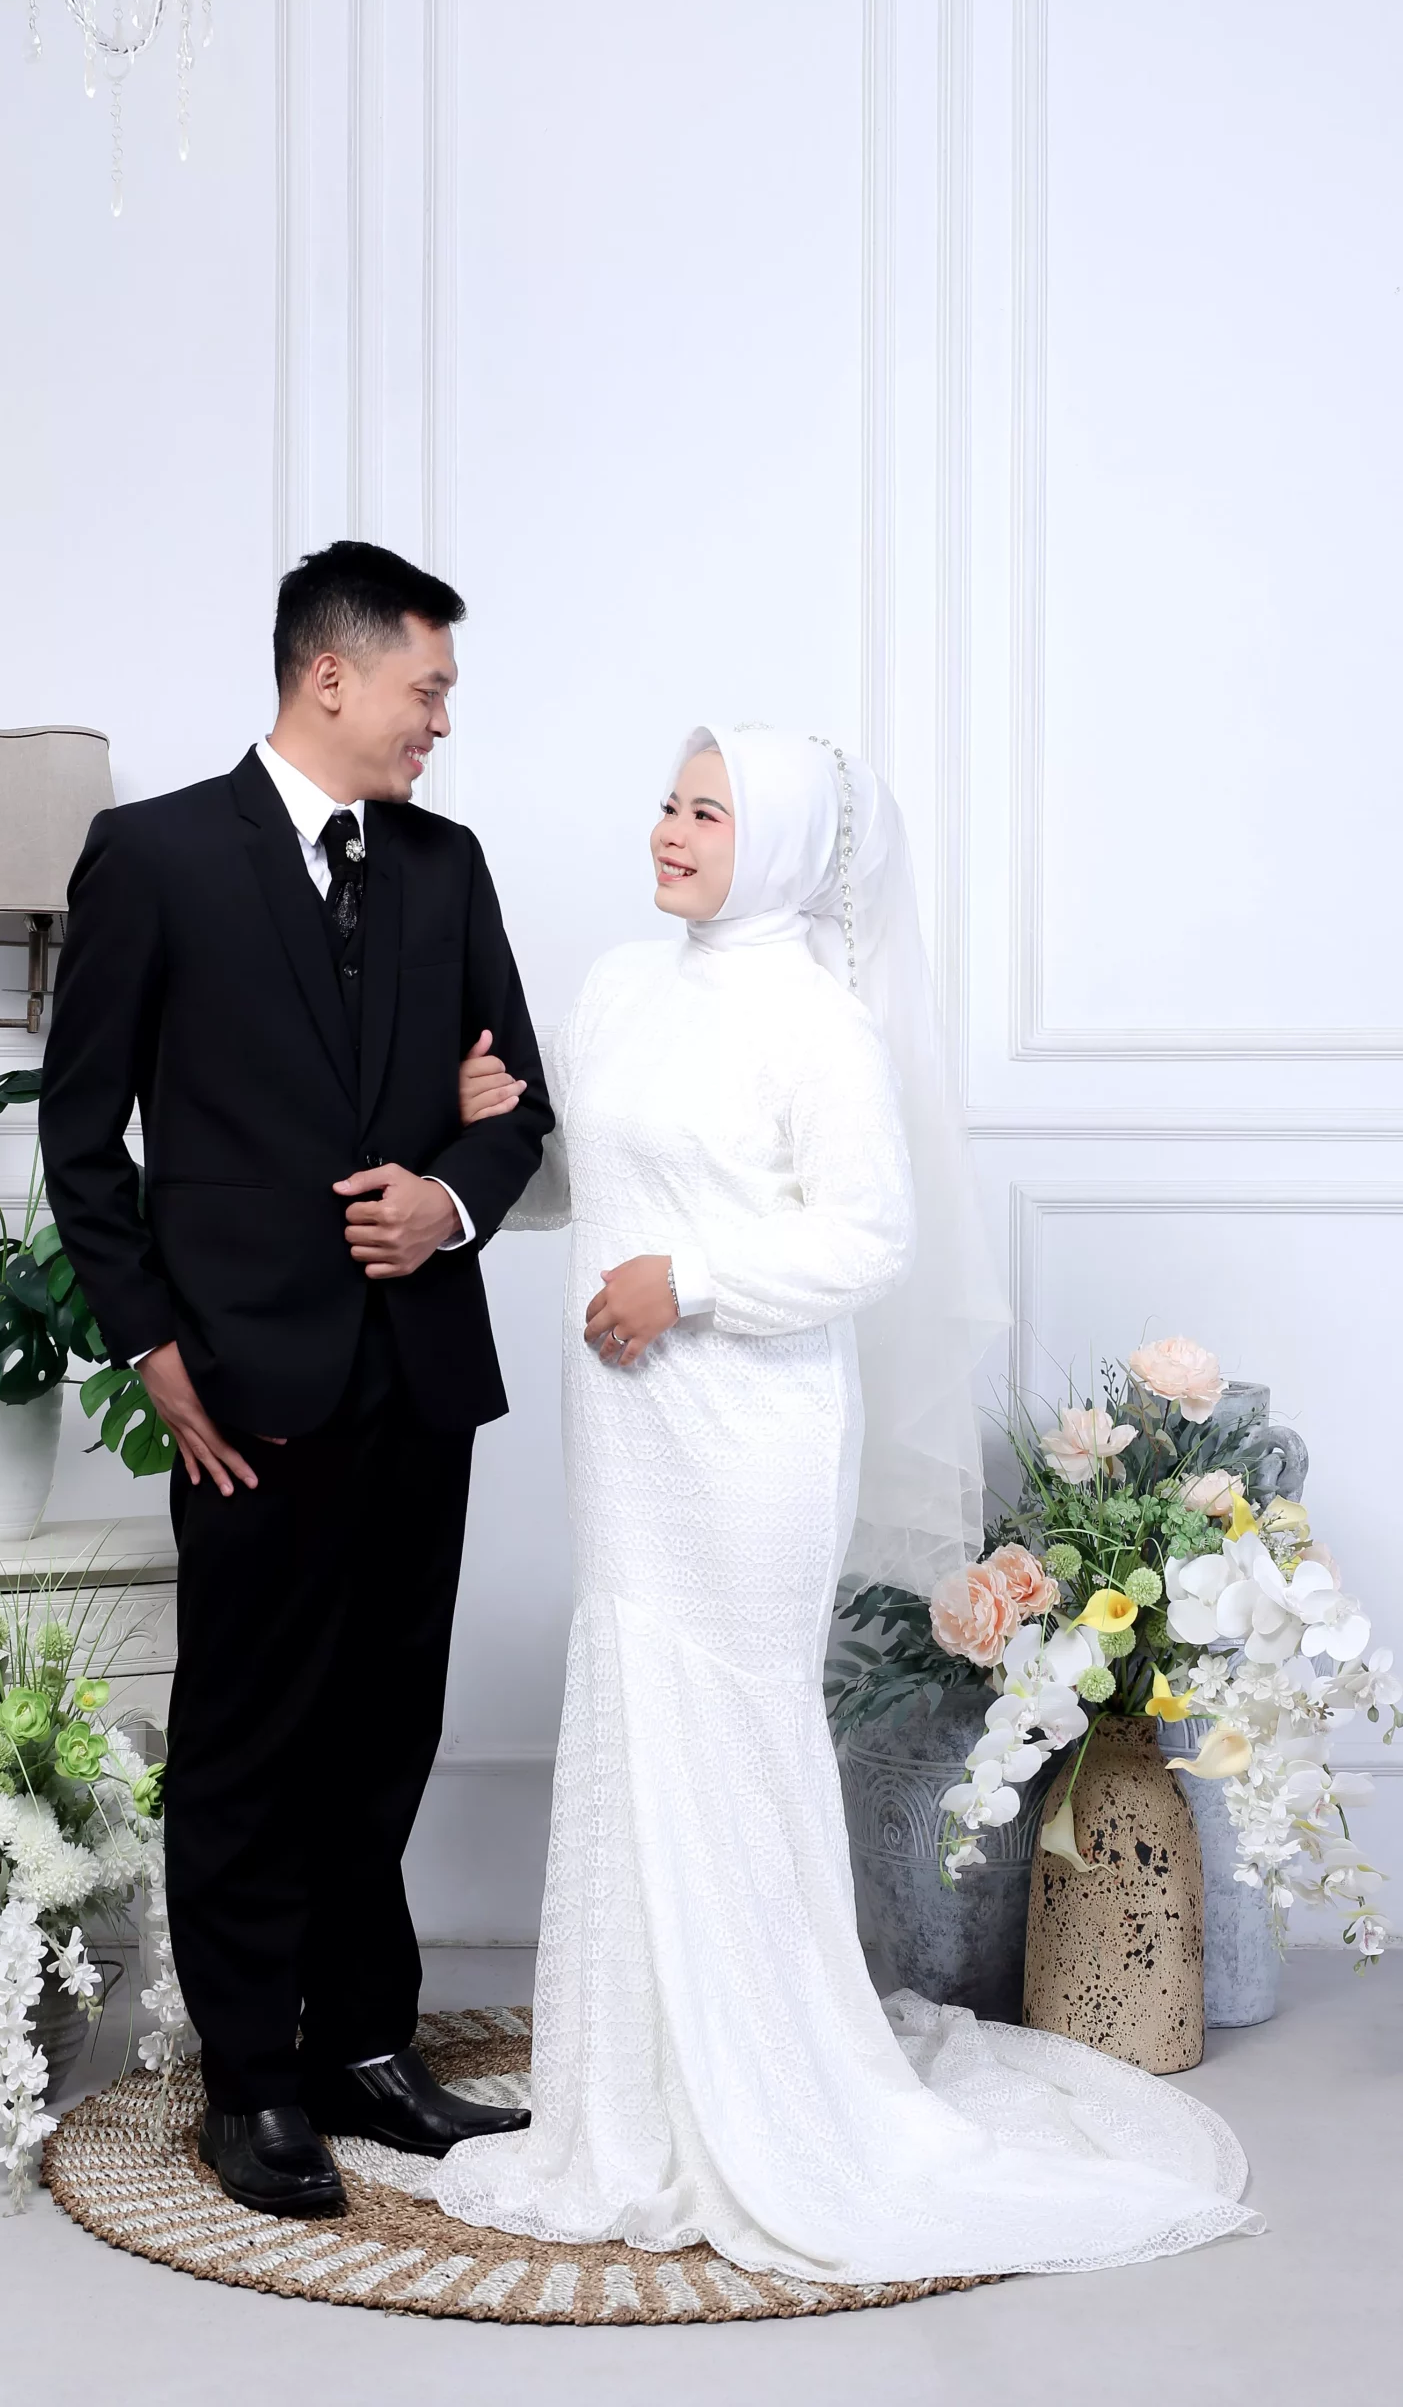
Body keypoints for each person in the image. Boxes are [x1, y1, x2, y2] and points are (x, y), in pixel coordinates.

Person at [431, 723, 1258, 2282]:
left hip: (747, 1430)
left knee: (729, 1725)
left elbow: (868, 1238)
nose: (670, 829)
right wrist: (491, 1127)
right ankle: (630, 2097)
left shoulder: (816, 1021)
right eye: (667, 801)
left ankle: (767, 2089)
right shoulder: (615, 988)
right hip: (623, 1431)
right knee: (638, 1708)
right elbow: (577, 1185)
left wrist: (689, 1282)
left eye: (708, 810)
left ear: (789, 845)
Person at [39, 542, 551, 2220]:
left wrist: (445, 1197)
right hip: (242, 1385)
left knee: (386, 1727)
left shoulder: (447, 865)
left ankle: (364, 2046)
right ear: (330, 676)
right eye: (428, 688)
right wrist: (152, 1349)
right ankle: (253, 2079)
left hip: (419, 1376)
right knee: (248, 1738)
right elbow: (79, 1134)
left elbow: (519, 1106)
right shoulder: (154, 855)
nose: (441, 722)